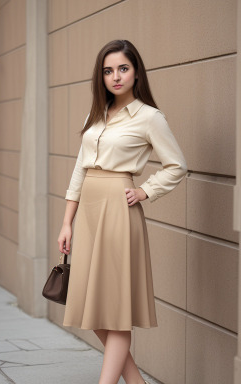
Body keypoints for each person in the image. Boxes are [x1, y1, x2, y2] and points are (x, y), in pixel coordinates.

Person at [58, 39, 187, 384]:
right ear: (101, 76)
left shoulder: (149, 117)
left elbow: (177, 166)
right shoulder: (95, 116)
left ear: (136, 72)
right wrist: (66, 222)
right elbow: (79, 170)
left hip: (117, 212)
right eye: (108, 70)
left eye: (123, 68)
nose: (116, 76)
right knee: (92, 305)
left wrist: (146, 190)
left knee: (115, 313)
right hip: (87, 213)